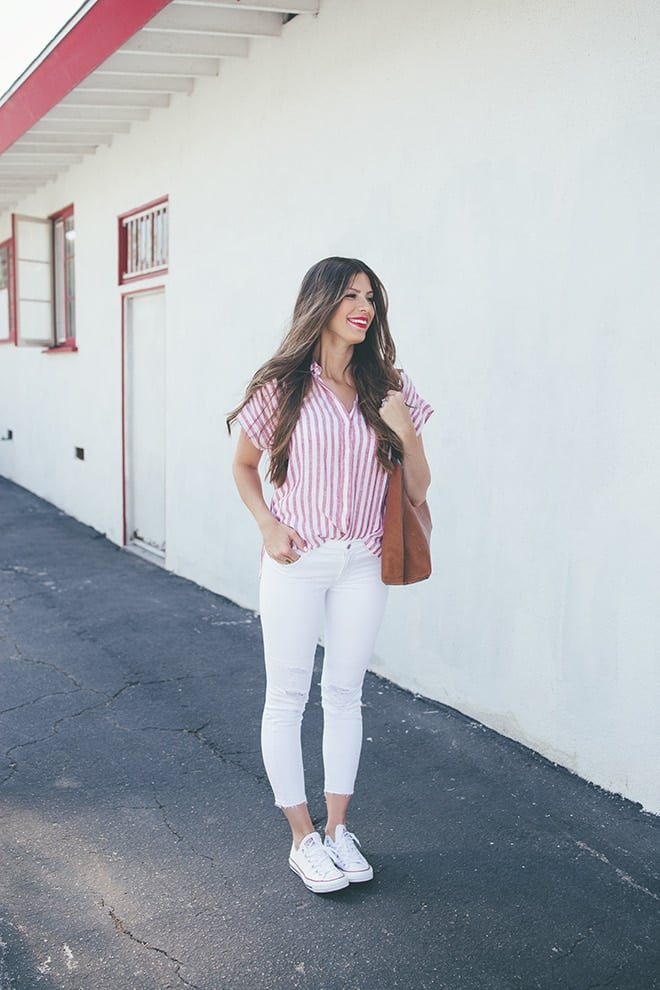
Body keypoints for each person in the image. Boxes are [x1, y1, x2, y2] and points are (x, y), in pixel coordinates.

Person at [227, 257, 432, 894]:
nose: (363, 307)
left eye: (370, 296)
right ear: (322, 303)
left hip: (363, 561)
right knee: (286, 699)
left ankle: (340, 830)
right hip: (296, 560)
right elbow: (243, 466)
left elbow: (419, 489)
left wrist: (404, 431)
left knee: (345, 693)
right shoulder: (283, 386)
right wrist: (266, 525)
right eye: (349, 295)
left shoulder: (389, 387)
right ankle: (302, 837)